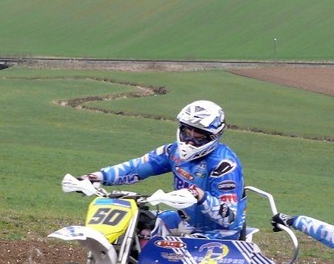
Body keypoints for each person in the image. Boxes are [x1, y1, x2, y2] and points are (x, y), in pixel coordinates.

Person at [81, 100, 245, 240]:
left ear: (213, 137)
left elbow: (229, 218)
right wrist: (98, 176)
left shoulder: (224, 165)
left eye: (198, 137)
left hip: (218, 233)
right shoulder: (173, 151)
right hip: (187, 220)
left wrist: (201, 196)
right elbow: (137, 167)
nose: (190, 141)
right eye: (186, 133)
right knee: (134, 221)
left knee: (176, 257)